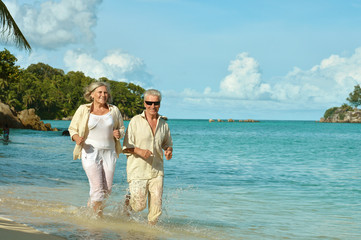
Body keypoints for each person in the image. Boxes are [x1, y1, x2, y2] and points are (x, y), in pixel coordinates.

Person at [68, 81, 125, 217]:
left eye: (105, 92)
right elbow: (72, 129)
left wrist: (118, 134)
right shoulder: (83, 109)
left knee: (107, 190)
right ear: (92, 94)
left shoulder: (114, 110)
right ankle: (97, 219)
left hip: (109, 153)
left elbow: (122, 129)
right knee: (98, 189)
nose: (103, 95)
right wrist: (76, 138)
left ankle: (89, 210)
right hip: (90, 153)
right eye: (99, 92)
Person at [123, 89, 173, 225]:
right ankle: (127, 202)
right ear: (144, 103)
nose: (152, 106)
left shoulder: (164, 124)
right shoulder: (135, 121)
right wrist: (139, 151)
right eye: (149, 102)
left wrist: (168, 151)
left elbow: (167, 144)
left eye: (156, 103)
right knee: (139, 206)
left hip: (157, 170)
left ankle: (151, 233)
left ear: (160, 104)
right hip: (138, 170)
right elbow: (125, 147)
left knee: (156, 207)